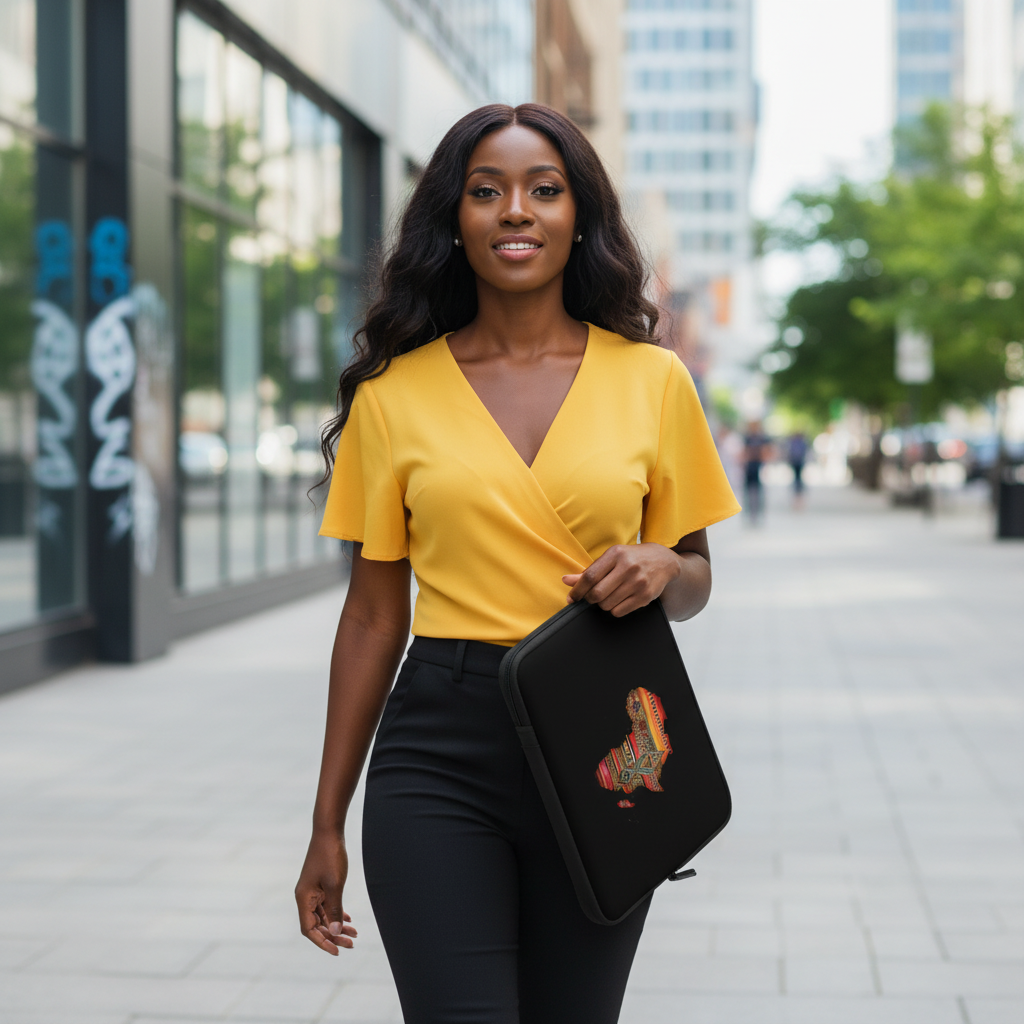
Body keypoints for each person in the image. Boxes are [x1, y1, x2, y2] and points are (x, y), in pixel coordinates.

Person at [294, 103, 740, 1024]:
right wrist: (326, 820)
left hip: (606, 741)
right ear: (453, 221)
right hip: (439, 747)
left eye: (545, 189)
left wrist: (662, 566)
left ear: (580, 217)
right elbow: (374, 617)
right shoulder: (394, 394)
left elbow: (694, 580)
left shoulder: (654, 381)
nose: (516, 211)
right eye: (485, 191)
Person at [742, 421, 770, 524]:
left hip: (758, 466)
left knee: (758, 492)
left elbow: (766, 451)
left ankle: (758, 514)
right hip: (750, 466)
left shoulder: (762, 438)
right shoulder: (748, 438)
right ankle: (750, 514)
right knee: (749, 492)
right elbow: (744, 452)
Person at [788, 431, 808, 507]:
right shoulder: (801, 443)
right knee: (798, 480)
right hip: (798, 463)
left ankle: (798, 498)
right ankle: (798, 498)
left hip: (797, 463)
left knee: (797, 480)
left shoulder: (795, 443)